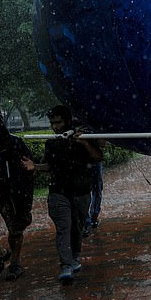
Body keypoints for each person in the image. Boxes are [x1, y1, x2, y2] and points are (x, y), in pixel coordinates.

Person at [30, 105, 103, 283]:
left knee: (76, 226)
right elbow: (48, 166)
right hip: (58, 191)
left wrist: (84, 142)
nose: (55, 127)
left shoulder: (83, 137)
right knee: (63, 227)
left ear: (68, 120)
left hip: (81, 191)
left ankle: (75, 256)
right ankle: (65, 265)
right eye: (52, 123)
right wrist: (34, 167)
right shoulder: (52, 142)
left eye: (59, 122)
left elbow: (97, 157)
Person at [0, 113, 35, 281]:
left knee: (15, 230)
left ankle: (15, 262)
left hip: (13, 195)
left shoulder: (15, 144)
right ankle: (0, 255)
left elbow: (27, 168)